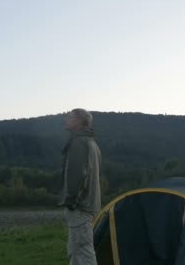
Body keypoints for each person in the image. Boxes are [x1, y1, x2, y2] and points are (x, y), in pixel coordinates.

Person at [58, 108, 102, 265]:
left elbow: (77, 175)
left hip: (80, 206)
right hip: (87, 204)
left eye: (70, 117)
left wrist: (71, 199)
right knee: (75, 250)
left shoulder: (79, 142)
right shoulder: (92, 143)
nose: (66, 119)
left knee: (83, 251)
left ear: (79, 121)